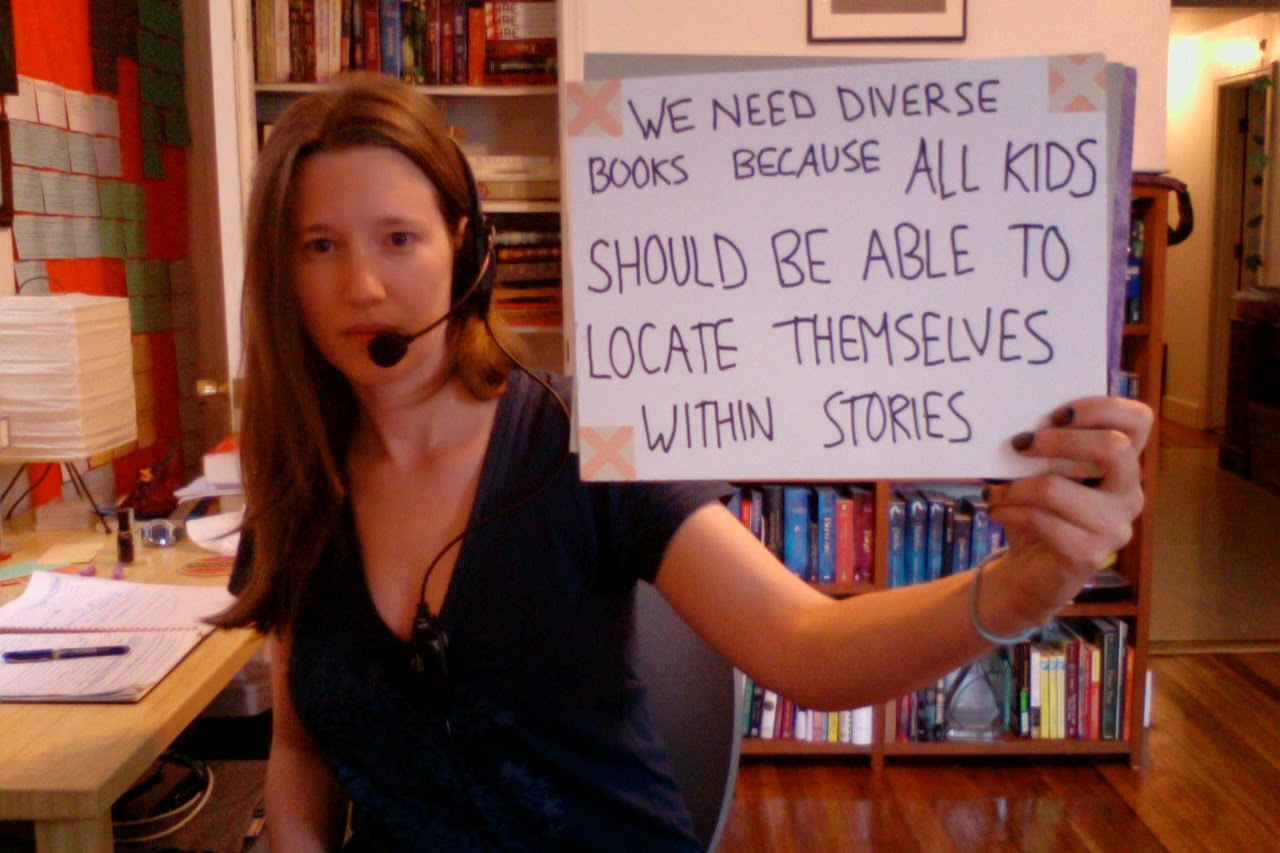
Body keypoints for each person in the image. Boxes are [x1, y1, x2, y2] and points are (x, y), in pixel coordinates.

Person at [214, 73, 1151, 851]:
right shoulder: (297, 480)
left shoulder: (581, 436)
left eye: (399, 238)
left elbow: (805, 645)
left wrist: (1018, 590)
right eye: (320, 246)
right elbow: (301, 750)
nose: (363, 286)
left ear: (466, 244)